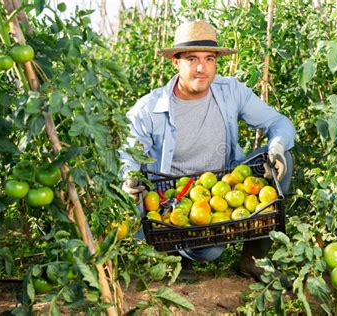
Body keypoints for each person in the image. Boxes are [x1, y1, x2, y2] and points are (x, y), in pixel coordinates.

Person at [120, 20, 296, 280]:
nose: (202, 68)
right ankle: (171, 252)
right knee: (210, 251)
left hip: (223, 188)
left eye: (209, 59)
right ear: (176, 61)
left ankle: (254, 260)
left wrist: (277, 148)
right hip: (173, 198)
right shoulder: (148, 109)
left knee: (284, 160)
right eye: (192, 59)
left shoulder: (230, 92)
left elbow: (278, 122)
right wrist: (129, 179)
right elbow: (128, 154)